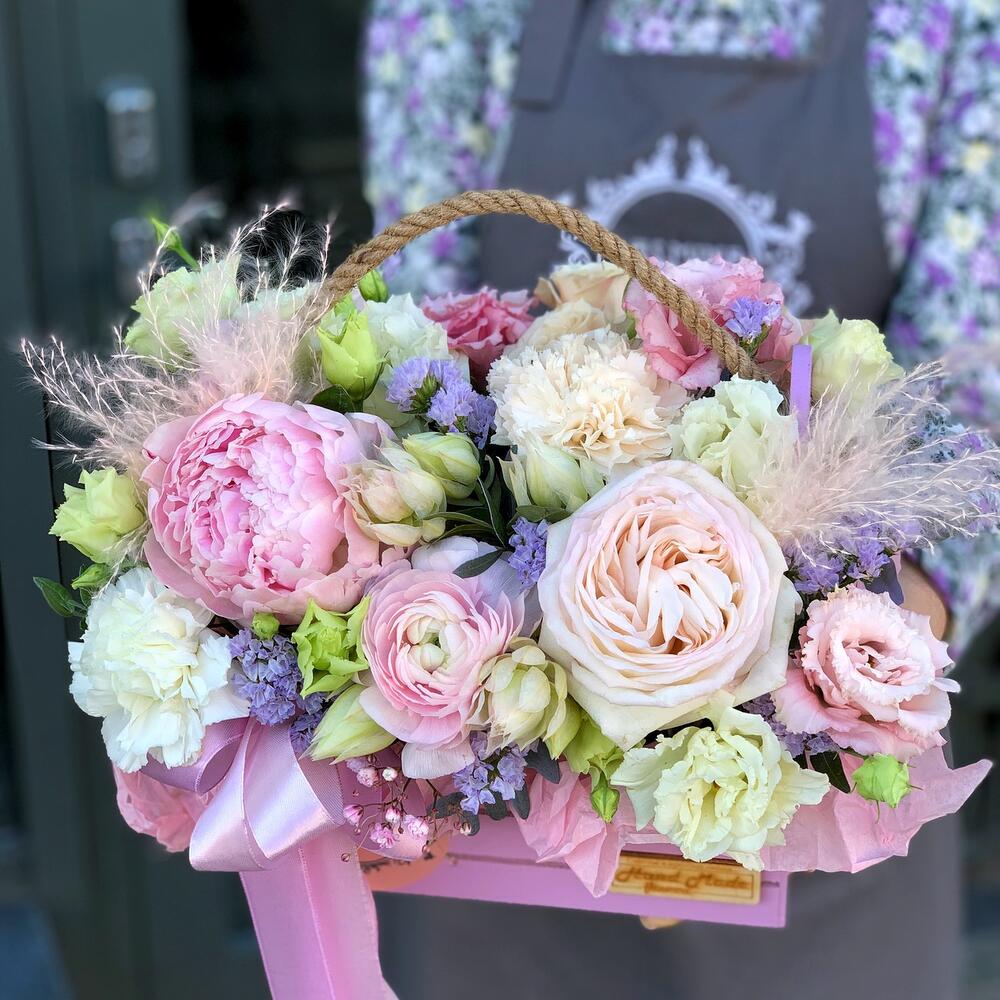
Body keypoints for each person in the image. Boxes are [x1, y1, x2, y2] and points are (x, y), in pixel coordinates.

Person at [361, 3, 998, 997]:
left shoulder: (952, 24)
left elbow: (969, 397)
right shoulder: (453, 14)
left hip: (815, 788)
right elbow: (413, 355)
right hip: (508, 779)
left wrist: (836, 675)